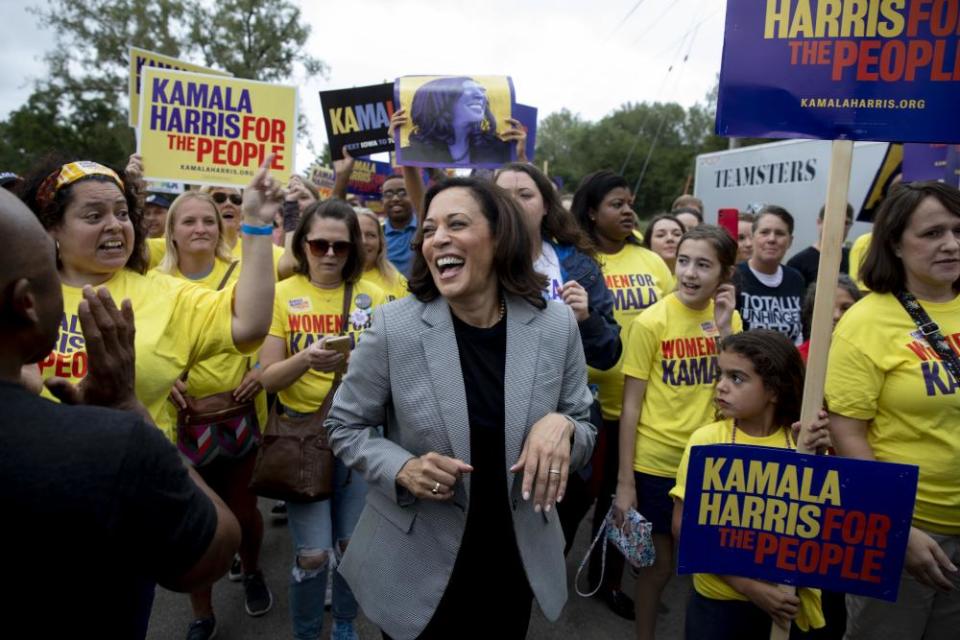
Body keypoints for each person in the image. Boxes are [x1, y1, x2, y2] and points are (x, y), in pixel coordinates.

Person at [326, 177, 597, 640]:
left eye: (457, 224)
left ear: (499, 235)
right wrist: (402, 467)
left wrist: (563, 428)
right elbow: (343, 425)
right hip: (417, 560)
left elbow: (585, 425)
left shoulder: (555, 325)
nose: (438, 239)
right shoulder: (395, 327)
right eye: (429, 230)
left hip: (514, 560)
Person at [0, 188, 240, 638]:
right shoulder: (115, 445)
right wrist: (130, 413)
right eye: (55, 277)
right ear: (26, 302)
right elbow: (215, 548)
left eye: (122, 213)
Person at [17, 157, 279, 437]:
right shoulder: (19, 294)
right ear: (51, 226)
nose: (115, 225)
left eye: (121, 213)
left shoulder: (165, 294)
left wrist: (257, 223)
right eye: (94, 216)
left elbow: (248, 323)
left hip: (136, 469)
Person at [825, 181, 960, 640]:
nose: (951, 244)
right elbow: (848, 437)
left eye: (958, 231)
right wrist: (896, 529)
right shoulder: (865, 323)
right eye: (933, 233)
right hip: (907, 533)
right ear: (896, 244)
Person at [260, 198, 388, 640]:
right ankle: (308, 632)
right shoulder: (281, 294)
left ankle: (347, 625)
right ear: (303, 246)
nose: (330, 254)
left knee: (351, 549)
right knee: (313, 554)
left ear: (355, 249)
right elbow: (267, 378)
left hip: (358, 437)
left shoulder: (376, 297)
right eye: (319, 245)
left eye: (341, 246)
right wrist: (306, 360)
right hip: (302, 439)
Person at [154, 191, 274, 638]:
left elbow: (270, 326)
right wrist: (164, 378)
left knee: (244, 512)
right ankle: (201, 613)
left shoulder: (245, 272)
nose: (201, 228)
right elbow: (143, 346)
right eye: (189, 221)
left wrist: (261, 368)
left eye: (209, 219)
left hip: (240, 413)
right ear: (172, 231)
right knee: (196, 521)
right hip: (181, 421)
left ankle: (254, 568)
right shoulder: (153, 282)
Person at [615, 225, 742, 640]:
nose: (689, 273)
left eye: (703, 265)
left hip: (710, 464)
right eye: (683, 261)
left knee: (706, 567)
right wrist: (625, 482)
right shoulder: (651, 321)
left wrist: (724, 330)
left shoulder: (730, 320)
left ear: (725, 274)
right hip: (656, 464)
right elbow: (630, 405)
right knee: (658, 568)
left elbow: (741, 388)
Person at [671, 330, 828, 639]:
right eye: (721, 374)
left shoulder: (800, 445)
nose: (721, 386)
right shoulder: (707, 441)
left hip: (784, 606)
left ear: (774, 390)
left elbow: (818, 526)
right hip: (717, 605)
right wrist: (750, 587)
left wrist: (819, 460)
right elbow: (683, 527)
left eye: (737, 378)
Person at [570, 170, 673, 618]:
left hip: (639, 408)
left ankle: (607, 580)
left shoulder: (652, 262)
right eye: (616, 203)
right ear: (591, 212)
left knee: (620, 502)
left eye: (630, 202)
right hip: (587, 404)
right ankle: (545, 569)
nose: (628, 210)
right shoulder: (577, 261)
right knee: (572, 500)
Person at [399, 76, 512, 165]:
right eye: (468, 90)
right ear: (438, 101)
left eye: (481, 90)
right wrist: (395, 139)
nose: (480, 96)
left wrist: (520, 155)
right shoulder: (412, 153)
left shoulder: (499, 148)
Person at [734, 205, 805, 345]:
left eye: (779, 233)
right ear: (753, 237)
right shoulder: (733, 276)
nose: (772, 239)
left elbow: (800, 334)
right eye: (764, 232)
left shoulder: (796, 279)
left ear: (790, 241)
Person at [786, 203, 854, 288]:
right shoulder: (798, 263)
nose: (840, 227)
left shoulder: (854, 257)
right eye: (832, 220)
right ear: (819, 222)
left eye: (846, 223)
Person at [797, 274, 861, 362]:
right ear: (812, 313)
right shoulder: (798, 358)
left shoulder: (868, 355)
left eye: (845, 308)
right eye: (828, 308)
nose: (836, 315)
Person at [357, 208, 408, 301]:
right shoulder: (332, 281)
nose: (363, 241)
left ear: (380, 242)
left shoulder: (398, 281)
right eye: (357, 235)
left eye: (371, 235)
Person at [380, 174, 419, 277]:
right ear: (382, 201)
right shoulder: (377, 235)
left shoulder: (426, 229)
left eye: (402, 193)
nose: (395, 198)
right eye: (388, 194)